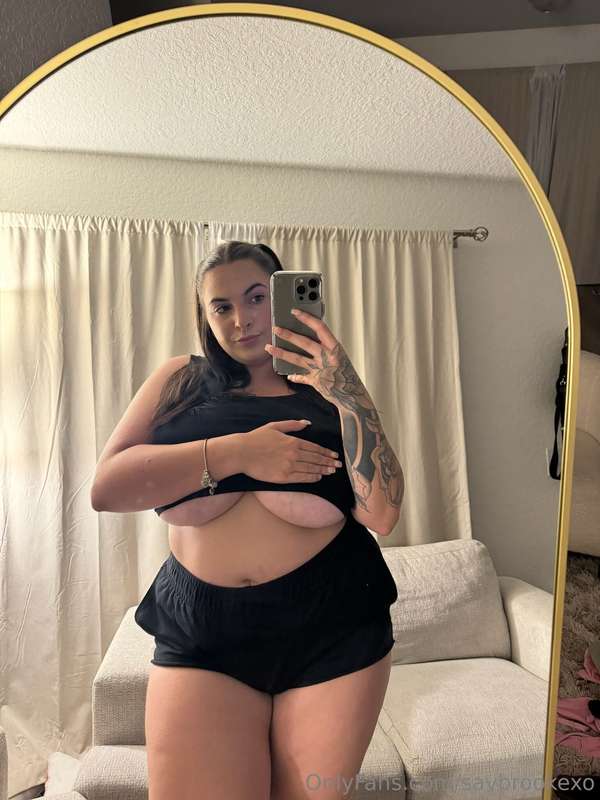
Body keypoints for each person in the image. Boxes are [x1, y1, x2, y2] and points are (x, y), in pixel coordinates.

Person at [90, 240, 404, 800]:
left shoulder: (328, 391)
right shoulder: (181, 379)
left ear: (281, 297)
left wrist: (348, 389)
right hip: (202, 629)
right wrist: (240, 453)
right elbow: (106, 488)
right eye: (222, 306)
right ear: (205, 316)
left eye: (257, 297)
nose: (242, 320)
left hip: (334, 624)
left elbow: (382, 513)